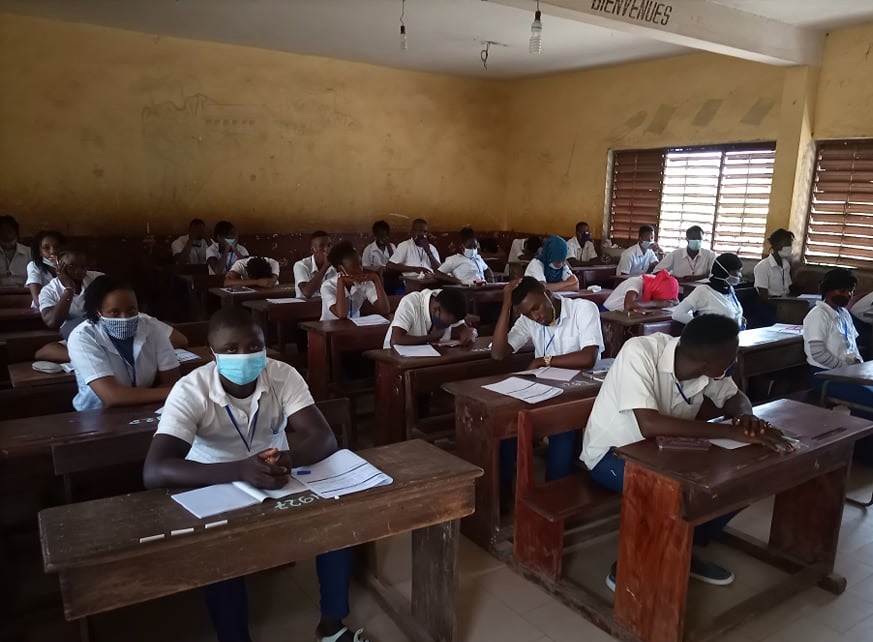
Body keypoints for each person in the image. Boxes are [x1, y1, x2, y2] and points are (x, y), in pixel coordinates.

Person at [143, 308, 372, 642]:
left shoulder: (282, 375)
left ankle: (332, 626)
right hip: (214, 479)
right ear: (212, 352)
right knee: (220, 550)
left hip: (276, 474)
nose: (244, 355)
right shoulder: (190, 389)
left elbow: (323, 437)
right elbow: (155, 469)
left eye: (254, 347)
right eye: (231, 349)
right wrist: (239, 469)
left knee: (335, 524)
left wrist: (287, 459)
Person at [580, 314, 795, 591]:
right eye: (731, 357)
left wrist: (745, 417)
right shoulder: (640, 351)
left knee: (739, 483)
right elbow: (650, 424)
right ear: (709, 361)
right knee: (674, 494)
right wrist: (729, 432)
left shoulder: (707, 369)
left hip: (669, 453)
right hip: (612, 454)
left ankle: (685, 546)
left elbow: (734, 397)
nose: (734, 361)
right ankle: (630, 563)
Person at [491, 277, 604, 480]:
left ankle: (554, 489)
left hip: (575, 393)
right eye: (527, 313)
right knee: (505, 426)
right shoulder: (528, 320)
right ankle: (504, 492)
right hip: (543, 390)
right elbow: (498, 353)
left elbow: (588, 357)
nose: (536, 316)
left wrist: (544, 361)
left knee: (561, 430)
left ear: (548, 294)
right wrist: (507, 302)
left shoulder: (583, 309)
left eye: (537, 308)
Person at [67, 275, 181, 411]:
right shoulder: (83, 337)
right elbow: (111, 396)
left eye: (131, 310)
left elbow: (172, 380)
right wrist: (177, 392)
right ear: (98, 311)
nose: (125, 318)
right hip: (96, 414)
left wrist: (172, 390)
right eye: (114, 312)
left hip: (147, 407)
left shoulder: (152, 328)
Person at [802, 268, 872, 406]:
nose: (848, 295)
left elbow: (852, 343)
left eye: (850, 291)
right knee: (869, 399)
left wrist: (859, 364)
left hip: (848, 373)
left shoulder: (844, 314)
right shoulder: (818, 315)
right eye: (842, 291)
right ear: (827, 290)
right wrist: (844, 368)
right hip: (826, 376)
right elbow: (818, 354)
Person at [38, 247, 104, 339]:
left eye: (83, 266)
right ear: (58, 265)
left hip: (100, 324)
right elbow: (52, 322)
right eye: (71, 266)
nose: (79, 271)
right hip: (73, 330)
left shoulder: (98, 279)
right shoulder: (49, 290)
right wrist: (69, 289)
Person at [383, 287, 475, 348]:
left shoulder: (450, 303)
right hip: (394, 356)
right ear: (436, 310)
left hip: (428, 355)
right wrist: (431, 337)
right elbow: (396, 340)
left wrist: (469, 332)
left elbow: (463, 329)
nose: (448, 326)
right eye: (446, 323)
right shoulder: (410, 303)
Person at [671, 253, 745, 328]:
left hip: (732, 336)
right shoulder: (703, 290)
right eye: (737, 271)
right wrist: (705, 327)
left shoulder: (729, 290)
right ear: (724, 271)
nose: (740, 275)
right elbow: (677, 314)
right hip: (713, 338)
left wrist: (739, 319)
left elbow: (730, 314)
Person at [320, 242, 390, 321]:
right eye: (354, 267)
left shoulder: (364, 282)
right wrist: (341, 282)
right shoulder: (328, 286)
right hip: (329, 328)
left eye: (360, 264)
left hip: (354, 327)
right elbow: (341, 315)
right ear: (341, 268)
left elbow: (385, 310)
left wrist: (376, 279)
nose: (360, 270)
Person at [603, 270, 679, 312]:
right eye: (659, 300)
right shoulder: (636, 282)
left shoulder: (660, 282)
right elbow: (628, 305)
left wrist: (674, 302)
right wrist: (656, 303)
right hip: (607, 313)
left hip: (625, 315)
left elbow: (674, 299)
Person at [25, 230, 66, 308]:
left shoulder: (68, 264)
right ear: (40, 252)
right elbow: (38, 300)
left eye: (57, 246)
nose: (52, 251)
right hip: (43, 311)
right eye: (46, 248)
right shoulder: (34, 266)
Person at [753, 228, 795, 299]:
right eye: (786, 244)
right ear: (775, 245)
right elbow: (763, 296)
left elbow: (788, 288)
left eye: (790, 244)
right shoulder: (763, 267)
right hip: (771, 304)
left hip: (785, 301)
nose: (789, 248)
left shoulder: (786, 265)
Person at [294, 231, 335, 298]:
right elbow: (307, 292)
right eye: (322, 246)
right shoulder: (301, 265)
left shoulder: (334, 267)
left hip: (326, 307)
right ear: (313, 250)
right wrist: (325, 266)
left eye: (329, 245)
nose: (327, 249)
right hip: (305, 307)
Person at [0, 215, 30, 286]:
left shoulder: (28, 252)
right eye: (2, 231)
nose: (6, 234)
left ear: (16, 232)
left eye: (9, 231)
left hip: (23, 292)